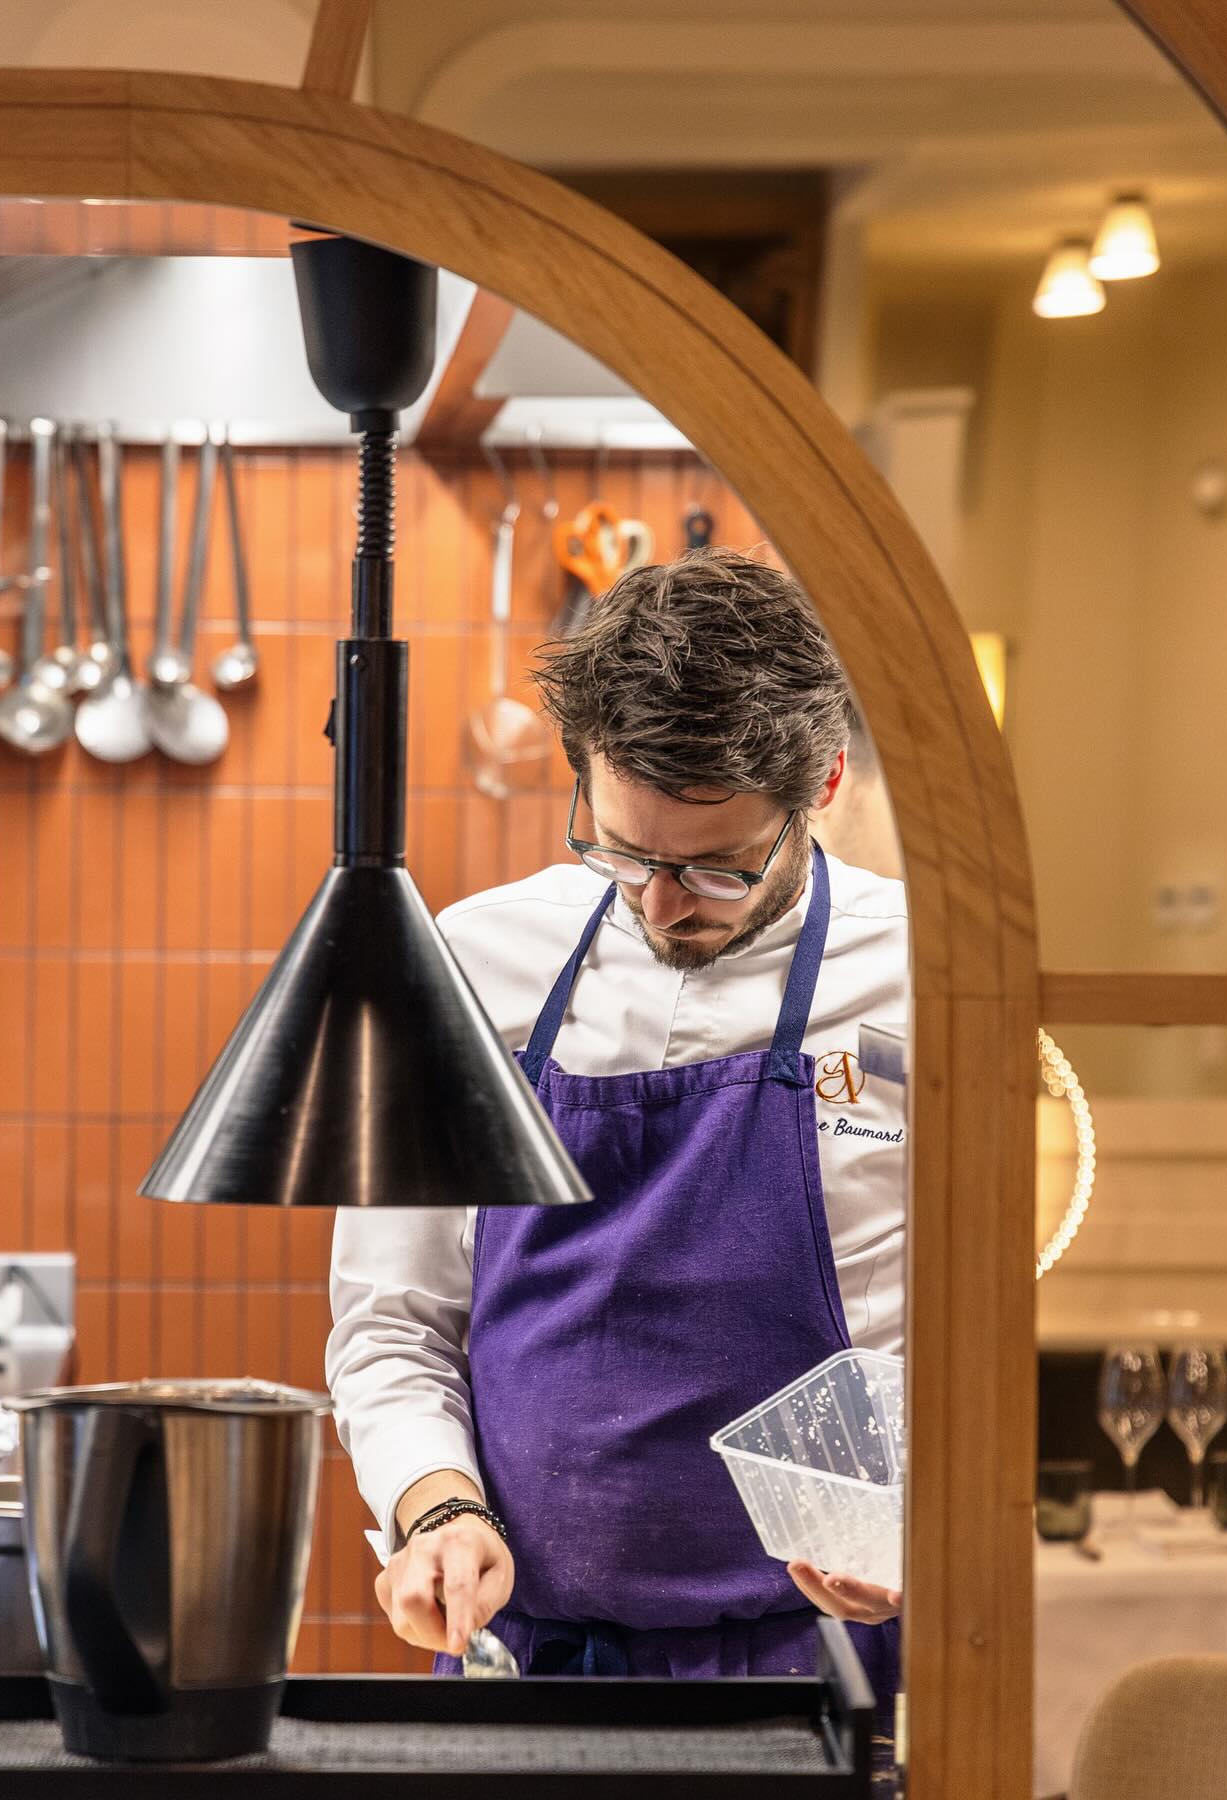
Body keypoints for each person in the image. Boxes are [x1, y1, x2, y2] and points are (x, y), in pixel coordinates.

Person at [327, 547, 906, 1709]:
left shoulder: (921, 977)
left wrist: (914, 1516)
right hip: (523, 1657)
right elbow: (393, 1321)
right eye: (621, 849)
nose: (657, 902)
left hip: (821, 1659)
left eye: (717, 871)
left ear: (826, 783)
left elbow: (968, 1325)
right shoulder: (475, 961)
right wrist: (436, 1506)